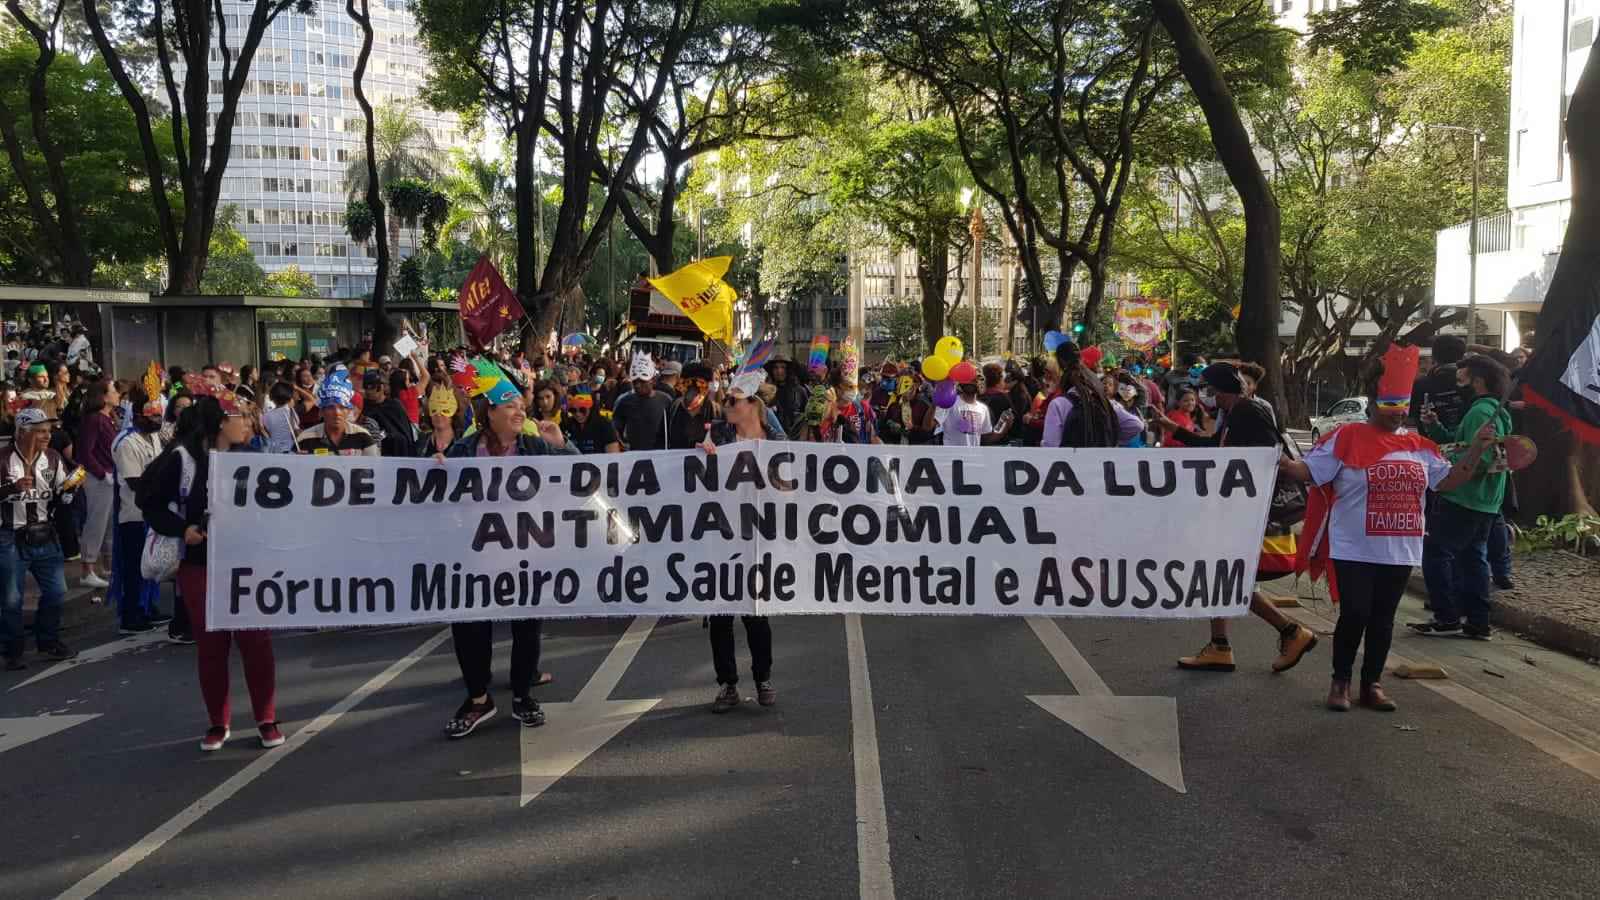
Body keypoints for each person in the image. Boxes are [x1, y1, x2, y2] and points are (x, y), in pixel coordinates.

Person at [1281, 345, 1496, 711]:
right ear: (1373, 402)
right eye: (1389, 405)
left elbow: (1448, 482)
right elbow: (1307, 471)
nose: (1397, 414)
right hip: (1354, 548)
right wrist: (1276, 460)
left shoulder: (1420, 446)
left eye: (1402, 407)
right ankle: (1340, 682)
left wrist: (1477, 449)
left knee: (1384, 619)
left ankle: (1372, 684)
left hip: (1400, 549)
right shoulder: (1346, 438)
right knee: (1356, 614)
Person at [138, 384, 281, 751]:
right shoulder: (183, 458)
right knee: (212, 647)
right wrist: (182, 528)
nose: (249, 423)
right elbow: (149, 502)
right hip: (200, 567)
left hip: (249, 564)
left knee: (256, 643)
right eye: (242, 417)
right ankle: (218, 722)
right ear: (221, 422)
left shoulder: (252, 456)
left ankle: (266, 718)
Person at [1158, 363, 1319, 673]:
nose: (1205, 395)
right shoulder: (1235, 414)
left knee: (1224, 574)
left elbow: (1268, 456)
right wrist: (1173, 428)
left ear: (1220, 390)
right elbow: (1214, 448)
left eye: (1209, 389)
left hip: (1246, 513)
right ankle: (1224, 645)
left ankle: (1288, 632)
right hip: (1234, 510)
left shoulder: (1249, 412)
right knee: (1222, 574)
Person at [441, 369, 575, 738]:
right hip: (475, 554)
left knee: (527, 629)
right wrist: (436, 469)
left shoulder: (534, 446)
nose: (520, 411)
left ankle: (522, 695)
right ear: (489, 413)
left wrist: (562, 445)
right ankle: (478, 698)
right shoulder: (465, 450)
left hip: (526, 552)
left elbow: (581, 475)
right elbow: (438, 493)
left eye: (522, 405)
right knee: (470, 629)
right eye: (510, 406)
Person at [1410, 355, 1514, 640]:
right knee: (1473, 558)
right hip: (1486, 500)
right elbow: (1462, 443)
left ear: (1477, 380)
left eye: (1461, 378)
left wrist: (1453, 466)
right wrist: (1435, 427)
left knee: (1435, 553)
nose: (1456, 385)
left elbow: (1480, 457)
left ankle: (1447, 616)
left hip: (1464, 496)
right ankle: (1478, 622)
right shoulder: (1493, 411)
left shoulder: (1482, 412)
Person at [699, 369, 778, 712]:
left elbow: (791, 489)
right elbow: (700, 485)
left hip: (758, 542)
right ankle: (727, 684)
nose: (726, 406)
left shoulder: (775, 442)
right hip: (721, 537)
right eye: (726, 401)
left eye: (732, 401)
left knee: (755, 616)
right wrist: (703, 460)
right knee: (720, 617)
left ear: (752, 405)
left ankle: (763, 678)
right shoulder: (717, 436)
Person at [0, 408, 79, 669]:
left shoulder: (53, 458)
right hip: (9, 536)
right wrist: (11, 489)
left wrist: (69, 491)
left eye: (49, 430)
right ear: (23, 432)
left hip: (44, 534)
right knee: (11, 599)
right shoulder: (3, 460)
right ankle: (12, 651)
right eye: (41, 431)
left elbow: (59, 492)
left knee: (57, 591)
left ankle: (48, 641)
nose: (47, 436)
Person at [110, 386, 172, 635]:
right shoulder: (126, 442)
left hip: (154, 511)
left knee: (151, 565)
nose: (157, 421)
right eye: (152, 417)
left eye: (159, 416)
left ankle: (148, 608)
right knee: (134, 567)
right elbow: (135, 482)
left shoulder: (155, 436)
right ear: (137, 417)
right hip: (134, 514)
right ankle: (131, 615)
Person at [1041, 343, 1143, 448]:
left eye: (1051, 373)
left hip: (1072, 463)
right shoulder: (1106, 402)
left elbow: (1050, 447)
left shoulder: (1058, 405)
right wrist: (1111, 439)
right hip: (1101, 461)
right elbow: (1136, 425)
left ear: (1060, 373)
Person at [75, 380, 121, 589]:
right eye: (113, 391)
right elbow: (85, 452)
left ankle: (107, 566)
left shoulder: (108, 418)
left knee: (108, 524)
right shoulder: (94, 420)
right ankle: (88, 569)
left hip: (109, 476)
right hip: (99, 478)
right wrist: (102, 474)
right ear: (103, 396)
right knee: (96, 523)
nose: (117, 394)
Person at [297, 367, 381, 456]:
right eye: (330, 407)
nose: (337, 412)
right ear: (321, 411)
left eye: (342, 407)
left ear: (349, 411)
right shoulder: (304, 439)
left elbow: (376, 466)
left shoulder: (364, 437)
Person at [612, 354, 673, 451]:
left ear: (652, 381)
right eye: (635, 382)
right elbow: (615, 427)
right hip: (633, 456)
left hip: (659, 457)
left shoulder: (666, 400)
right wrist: (621, 443)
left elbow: (673, 430)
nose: (637, 385)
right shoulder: (625, 401)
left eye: (642, 381)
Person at [361, 369, 414, 457]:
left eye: (371, 387)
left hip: (395, 454)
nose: (368, 391)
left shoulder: (394, 405)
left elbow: (405, 434)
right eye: (365, 387)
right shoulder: (364, 407)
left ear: (381, 387)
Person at [561, 386, 621, 453]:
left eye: (582, 410)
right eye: (573, 410)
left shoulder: (604, 424)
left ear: (591, 409)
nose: (578, 414)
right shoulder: (567, 424)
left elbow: (613, 455)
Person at [261, 381, 299, 453]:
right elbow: (295, 431)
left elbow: (267, 434)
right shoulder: (291, 412)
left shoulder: (266, 416)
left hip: (274, 451)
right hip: (291, 450)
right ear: (289, 396)